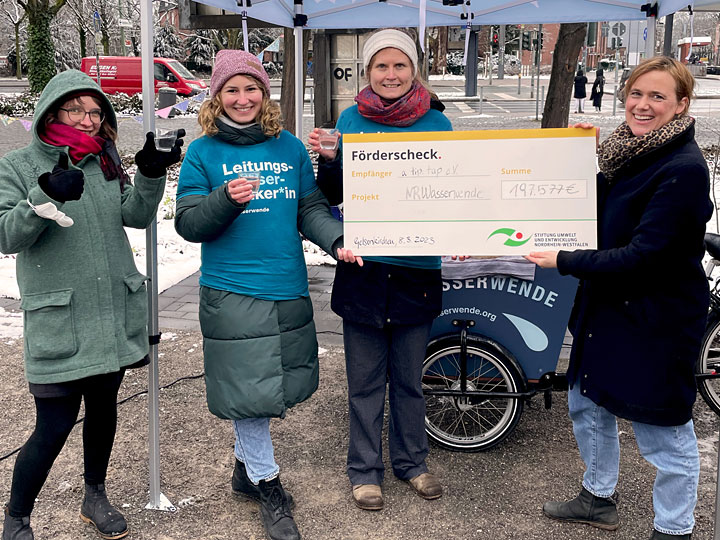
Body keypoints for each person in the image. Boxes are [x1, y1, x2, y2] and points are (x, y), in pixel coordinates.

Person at [526, 56, 711, 540]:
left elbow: (642, 256)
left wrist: (562, 261)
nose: (643, 104)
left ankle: (674, 529)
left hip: (656, 319)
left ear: (681, 105)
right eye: (635, 93)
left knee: (662, 427)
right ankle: (597, 496)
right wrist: (576, 156)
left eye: (657, 96)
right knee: (588, 402)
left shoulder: (683, 168)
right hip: (607, 308)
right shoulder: (626, 153)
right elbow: (587, 210)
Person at [174, 50, 353, 540]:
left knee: (270, 387)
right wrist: (223, 200)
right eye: (231, 89)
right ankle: (269, 486)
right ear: (217, 96)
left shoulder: (289, 147)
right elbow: (188, 223)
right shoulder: (202, 153)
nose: (243, 98)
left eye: (250, 88)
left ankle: (243, 470)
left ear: (264, 92)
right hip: (231, 290)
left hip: (287, 285)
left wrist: (336, 241)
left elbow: (310, 207)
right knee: (251, 397)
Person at [0, 70, 183, 540]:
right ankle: (16, 518)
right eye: (76, 109)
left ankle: (94, 495)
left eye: (95, 112)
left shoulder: (105, 160)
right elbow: (5, 235)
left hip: (110, 310)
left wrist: (149, 172)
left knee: (103, 409)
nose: (87, 119)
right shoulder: (18, 165)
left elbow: (136, 215)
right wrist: (43, 196)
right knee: (54, 423)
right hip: (62, 318)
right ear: (51, 111)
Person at [307, 29, 452, 512]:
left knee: (410, 381)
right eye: (381, 66)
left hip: (416, 271)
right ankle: (364, 470)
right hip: (365, 271)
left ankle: (413, 463)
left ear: (415, 71)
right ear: (367, 72)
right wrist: (329, 160)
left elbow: (457, 192)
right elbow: (333, 194)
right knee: (365, 383)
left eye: (400, 66)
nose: (391, 75)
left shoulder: (437, 126)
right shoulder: (349, 120)